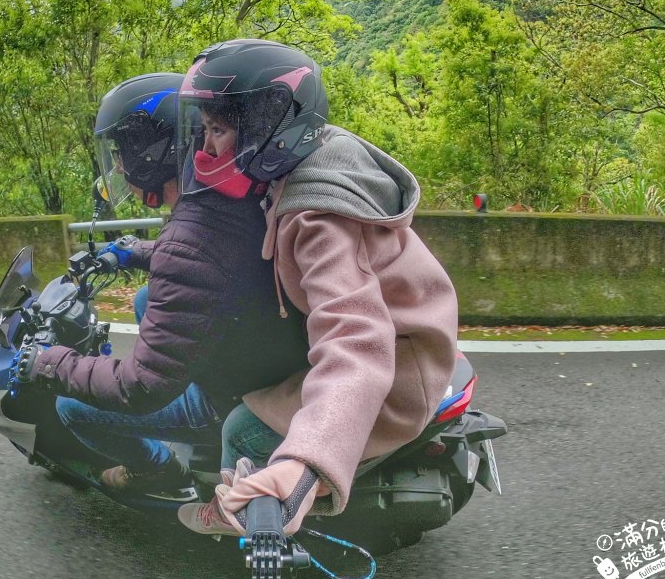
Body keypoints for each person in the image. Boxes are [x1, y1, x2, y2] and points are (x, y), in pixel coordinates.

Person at [173, 39, 459, 536]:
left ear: (265, 127)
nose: (206, 148)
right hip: (402, 333)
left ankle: (243, 515)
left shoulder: (317, 217)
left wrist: (304, 461)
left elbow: (357, 342)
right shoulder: (312, 156)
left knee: (242, 426)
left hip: (395, 366)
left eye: (218, 129)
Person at [14, 72, 310, 493]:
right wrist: (133, 251)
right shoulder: (227, 194)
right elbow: (209, 262)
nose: (118, 165)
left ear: (151, 152)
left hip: (233, 397)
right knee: (145, 297)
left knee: (71, 406)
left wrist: (49, 362)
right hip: (267, 348)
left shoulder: (188, 235)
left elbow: (139, 388)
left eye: (122, 152)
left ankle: (157, 470)